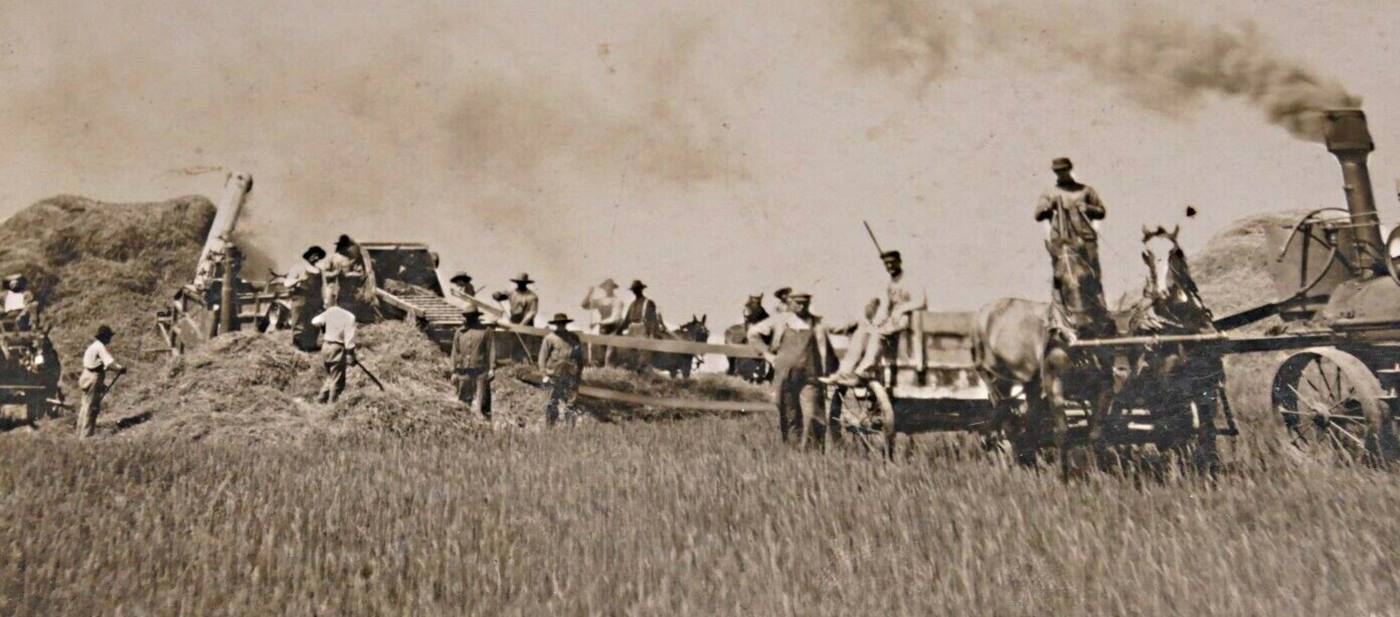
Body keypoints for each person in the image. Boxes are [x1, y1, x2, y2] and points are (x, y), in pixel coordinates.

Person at [1033, 156, 1112, 342]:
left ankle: (1099, 313)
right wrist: (1048, 207)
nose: (1061, 174)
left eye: (1064, 170)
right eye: (1058, 171)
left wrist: (1088, 208)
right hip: (1062, 242)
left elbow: (1101, 211)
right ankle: (1060, 316)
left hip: (1085, 241)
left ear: (1070, 170)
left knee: (1091, 276)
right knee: (1064, 277)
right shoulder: (1050, 192)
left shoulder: (1086, 190)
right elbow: (1037, 214)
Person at [827, 250, 927, 385]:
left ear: (899, 262)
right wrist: (877, 320)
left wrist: (901, 309)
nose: (890, 266)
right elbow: (885, 305)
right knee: (862, 331)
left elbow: (920, 301)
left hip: (908, 319)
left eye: (892, 263)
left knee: (878, 333)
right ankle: (844, 371)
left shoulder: (910, 280)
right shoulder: (889, 283)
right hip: (893, 320)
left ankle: (863, 370)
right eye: (886, 264)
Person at [747, 292, 832, 447]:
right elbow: (753, 333)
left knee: (814, 415)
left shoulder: (817, 323)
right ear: (790, 303)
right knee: (789, 415)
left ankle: (815, 457)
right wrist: (767, 354)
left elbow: (830, 341)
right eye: (797, 302)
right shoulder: (780, 320)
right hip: (784, 376)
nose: (800, 306)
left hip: (811, 376)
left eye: (804, 303)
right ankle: (792, 454)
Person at [77, 325, 125, 438]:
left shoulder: (92, 347)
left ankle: (79, 433)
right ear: (104, 337)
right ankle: (86, 438)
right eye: (109, 337)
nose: (110, 339)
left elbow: (97, 363)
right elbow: (109, 363)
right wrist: (120, 368)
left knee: (84, 405)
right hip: (93, 378)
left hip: (85, 376)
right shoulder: (100, 347)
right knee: (91, 407)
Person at [537, 313, 584, 427]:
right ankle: (550, 428)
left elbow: (580, 358)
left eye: (563, 324)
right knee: (551, 403)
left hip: (570, 375)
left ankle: (570, 430)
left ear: (566, 324)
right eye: (559, 324)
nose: (561, 326)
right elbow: (542, 358)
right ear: (555, 325)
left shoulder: (574, 338)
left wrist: (578, 374)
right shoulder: (549, 338)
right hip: (554, 376)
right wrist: (544, 375)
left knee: (571, 403)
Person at [451, 308, 497, 418]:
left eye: (471, 316)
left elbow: (491, 350)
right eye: (467, 316)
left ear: (476, 317)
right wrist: (453, 371)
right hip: (464, 371)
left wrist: (492, 368)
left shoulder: (486, 331)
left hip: (480, 371)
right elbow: (454, 352)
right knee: (463, 402)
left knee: (481, 403)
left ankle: (483, 424)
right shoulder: (460, 332)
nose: (469, 318)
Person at [311, 297, 358, 404]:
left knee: (331, 376)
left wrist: (324, 327)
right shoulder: (350, 317)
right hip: (337, 349)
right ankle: (332, 407)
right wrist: (351, 356)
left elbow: (314, 321)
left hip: (325, 347)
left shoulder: (331, 311)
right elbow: (349, 341)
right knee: (338, 381)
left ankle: (320, 400)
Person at [286, 245, 326, 351]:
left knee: (314, 323)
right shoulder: (298, 267)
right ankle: (298, 347)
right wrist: (299, 279)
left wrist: (324, 299)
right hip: (301, 298)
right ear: (308, 255)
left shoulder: (319, 270)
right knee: (299, 322)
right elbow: (287, 283)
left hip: (316, 299)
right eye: (314, 255)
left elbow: (322, 287)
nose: (316, 258)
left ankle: (310, 346)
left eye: (318, 256)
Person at [581, 278, 626, 366]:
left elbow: (615, 318)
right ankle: (601, 370)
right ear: (604, 288)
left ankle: (610, 369)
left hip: (614, 328)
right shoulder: (601, 301)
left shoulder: (618, 301)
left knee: (609, 354)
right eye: (606, 287)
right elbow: (584, 305)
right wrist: (589, 293)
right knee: (600, 352)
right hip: (603, 329)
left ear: (613, 288)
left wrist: (598, 323)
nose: (608, 288)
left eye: (610, 286)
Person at [322, 234, 366, 308]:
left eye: (347, 245)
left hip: (346, 291)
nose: (347, 248)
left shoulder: (350, 259)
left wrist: (355, 274)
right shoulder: (332, 258)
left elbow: (353, 273)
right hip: (332, 288)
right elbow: (324, 274)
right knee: (331, 309)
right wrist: (334, 273)